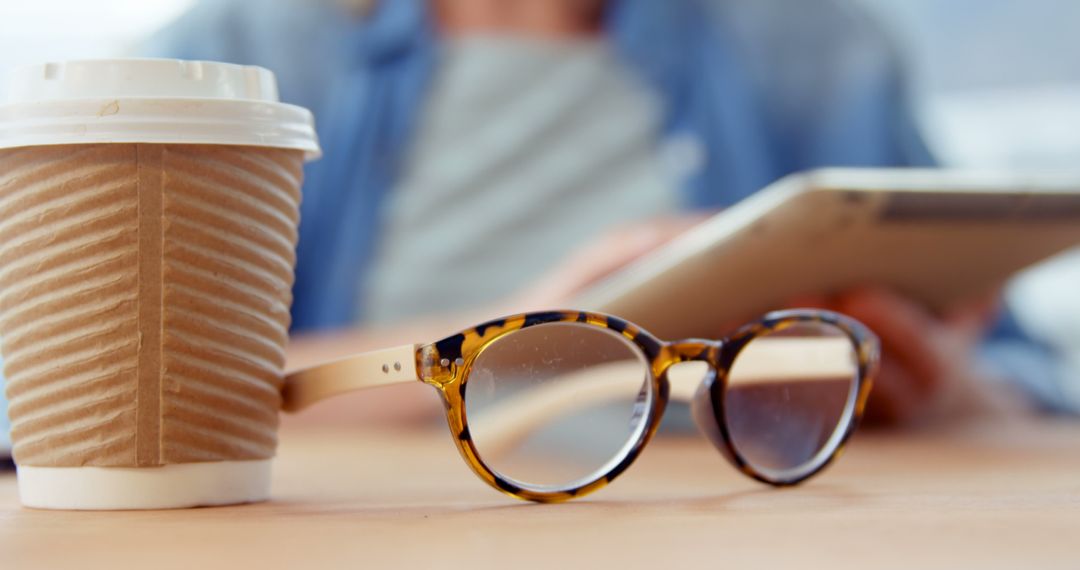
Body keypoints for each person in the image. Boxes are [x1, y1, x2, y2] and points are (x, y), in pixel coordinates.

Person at [143, 0, 1048, 426]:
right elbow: (74, 402)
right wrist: (526, 335)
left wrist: (947, 394)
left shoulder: (820, 50)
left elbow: (1033, 386)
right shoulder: (228, 60)